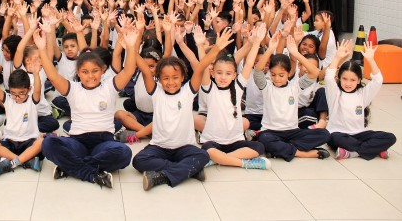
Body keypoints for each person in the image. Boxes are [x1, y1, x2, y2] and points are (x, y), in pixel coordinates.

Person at [35, 25, 139, 189]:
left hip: (103, 142)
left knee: (124, 153)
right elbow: (53, 76)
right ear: (78, 72)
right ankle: (92, 174)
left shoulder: (109, 87)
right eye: (85, 72)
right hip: (78, 142)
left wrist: (132, 46)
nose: (90, 76)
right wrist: (41, 48)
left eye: (95, 71)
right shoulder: (73, 88)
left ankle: (71, 167)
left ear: (102, 71)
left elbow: (129, 71)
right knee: (48, 143)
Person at [132, 30, 235, 191]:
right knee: (139, 161)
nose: (170, 82)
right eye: (166, 78)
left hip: (184, 147)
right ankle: (188, 170)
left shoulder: (188, 91)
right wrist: (132, 47)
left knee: (202, 156)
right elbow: (145, 69)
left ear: (182, 78)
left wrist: (217, 48)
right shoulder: (156, 92)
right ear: (159, 78)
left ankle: (162, 176)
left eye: (175, 78)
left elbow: (201, 67)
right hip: (159, 147)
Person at [0, 17, 44, 175]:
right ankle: (23, 160)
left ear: (28, 90)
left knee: (42, 142)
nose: (17, 97)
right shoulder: (8, 100)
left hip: (29, 141)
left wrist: (35, 73)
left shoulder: (32, 99)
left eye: (21, 93)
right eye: (14, 94)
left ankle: (10, 162)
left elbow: (38, 89)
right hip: (10, 141)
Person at [200, 24, 269, 170]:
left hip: (235, 141)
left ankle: (219, 160)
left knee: (259, 147)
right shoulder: (209, 88)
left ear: (234, 75)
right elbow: (203, 64)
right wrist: (213, 48)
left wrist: (256, 42)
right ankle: (243, 163)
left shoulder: (237, 87)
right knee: (207, 150)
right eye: (219, 73)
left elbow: (249, 63)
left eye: (227, 73)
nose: (223, 77)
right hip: (213, 141)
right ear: (212, 73)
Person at [255, 34, 331, 161]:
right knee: (263, 139)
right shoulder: (266, 86)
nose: (277, 78)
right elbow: (257, 71)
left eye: (281, 75)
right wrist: (269, 50)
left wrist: (296, 53)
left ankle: (282, 149)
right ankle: (303, 153)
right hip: (271, 131)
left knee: (325, 134)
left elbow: (315, 72)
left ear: (288, 73)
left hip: (293, 132)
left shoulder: (295, 86)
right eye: (273, 74)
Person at [325, 41, 396, 160]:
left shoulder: (362, 94)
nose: (348, 83)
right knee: (334, 138)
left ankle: (353, 153)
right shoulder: (335, 93)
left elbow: (378, 80)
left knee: (390, 137)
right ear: (339, 78)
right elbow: (328, 77)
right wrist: (337, 57)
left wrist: (370, 59)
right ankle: (374, 149)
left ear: (358, 80)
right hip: (339, 134)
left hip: (359, 134)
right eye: (345, 79)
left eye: (353, 80)